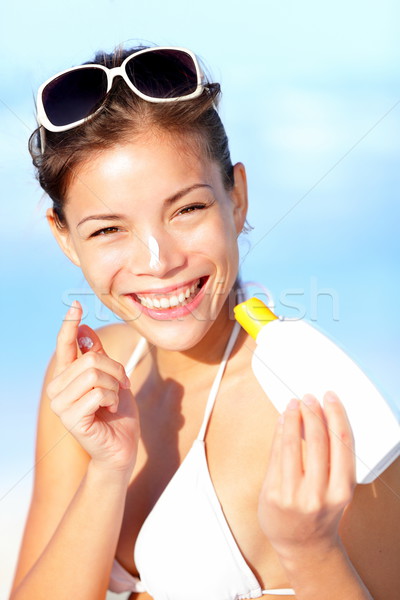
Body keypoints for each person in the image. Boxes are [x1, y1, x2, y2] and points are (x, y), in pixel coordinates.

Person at [11, 45, 400, 600]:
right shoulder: (94, 374)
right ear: (65, 237)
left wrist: (311, 550)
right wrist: (107, 469)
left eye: (187, 209)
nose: (157, 261)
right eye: (107, 230)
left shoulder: (309, 398)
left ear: (236, 199)